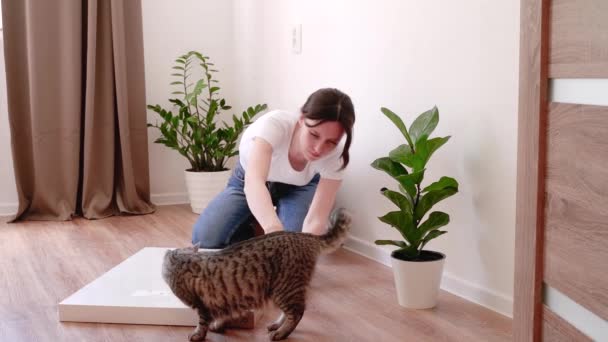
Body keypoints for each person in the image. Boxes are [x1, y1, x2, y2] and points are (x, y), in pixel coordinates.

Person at [192, 88, 355, 248]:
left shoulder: (337, 156)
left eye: (331, 142)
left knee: (293, 244)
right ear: (301, 118)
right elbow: (254, 182)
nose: (318, 149)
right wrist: (273, 230)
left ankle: (263, 224)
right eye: (314, 135)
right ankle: (252, 226)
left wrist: (303, 251)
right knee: (205, 239)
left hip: (299, 188)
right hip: (249, 182)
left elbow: (316, 218)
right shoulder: (274, 125)